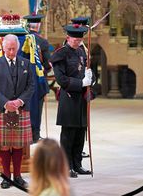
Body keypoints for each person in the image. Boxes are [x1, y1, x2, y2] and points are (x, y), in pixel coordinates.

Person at [0, 34, 35, 189]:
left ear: (18, 48)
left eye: (14, 49)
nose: (11, 52)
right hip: (1, 110)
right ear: (3, 47)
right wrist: (6, 103)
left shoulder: (26, 64)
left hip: (21, 109)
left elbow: (31, 86)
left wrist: (19, 101)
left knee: (18, 145)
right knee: (4, 145)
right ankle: (6, 176)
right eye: (8, 49)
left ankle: (18, 176)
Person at [49, 24, 93, 178]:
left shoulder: (81, 51)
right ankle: (66, 166)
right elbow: (61, 79)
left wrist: (90, 79)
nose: (77, 41)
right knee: (68, 134)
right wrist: (81, 83)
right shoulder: (60, 54)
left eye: (79, 38)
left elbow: (85, 70)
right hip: (69, 99)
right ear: (68, 38)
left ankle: (77, 164)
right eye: (74, 38)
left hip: (81, 99)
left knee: (81, 132)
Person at [23, 13, 51, 143]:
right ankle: (35, 134)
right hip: (37, 81)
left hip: (22, 80)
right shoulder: (42, 42)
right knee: (37, 108)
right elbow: (47, 65)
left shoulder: (22, 39)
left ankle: (24, 133)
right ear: (39, 25)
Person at [70, 16, 91, 159]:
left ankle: (78, 154)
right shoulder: (69, 48)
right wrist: (82, 82)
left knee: (82, 125)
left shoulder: (83, 47)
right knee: (72, 129)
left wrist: (91, 80)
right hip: (72, 91)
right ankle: (71, 158)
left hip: (83, 91)